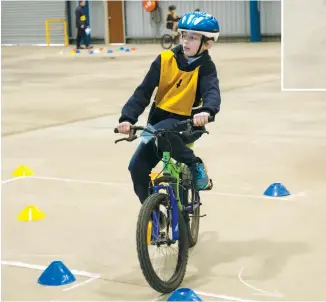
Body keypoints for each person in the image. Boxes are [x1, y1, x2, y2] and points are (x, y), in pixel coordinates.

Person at [116, 11, 221, 204]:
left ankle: (194, 163)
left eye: (193, 37)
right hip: (157, 125)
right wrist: (127, 118)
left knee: (164, 136)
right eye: (184, 36)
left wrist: (208, 111)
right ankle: (153, 211)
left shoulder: (206, 67)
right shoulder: (164, 60)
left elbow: (211, 91)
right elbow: (143, 92)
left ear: (208, 43)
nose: (186, 41)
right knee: (136, 166)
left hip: (188, 124)